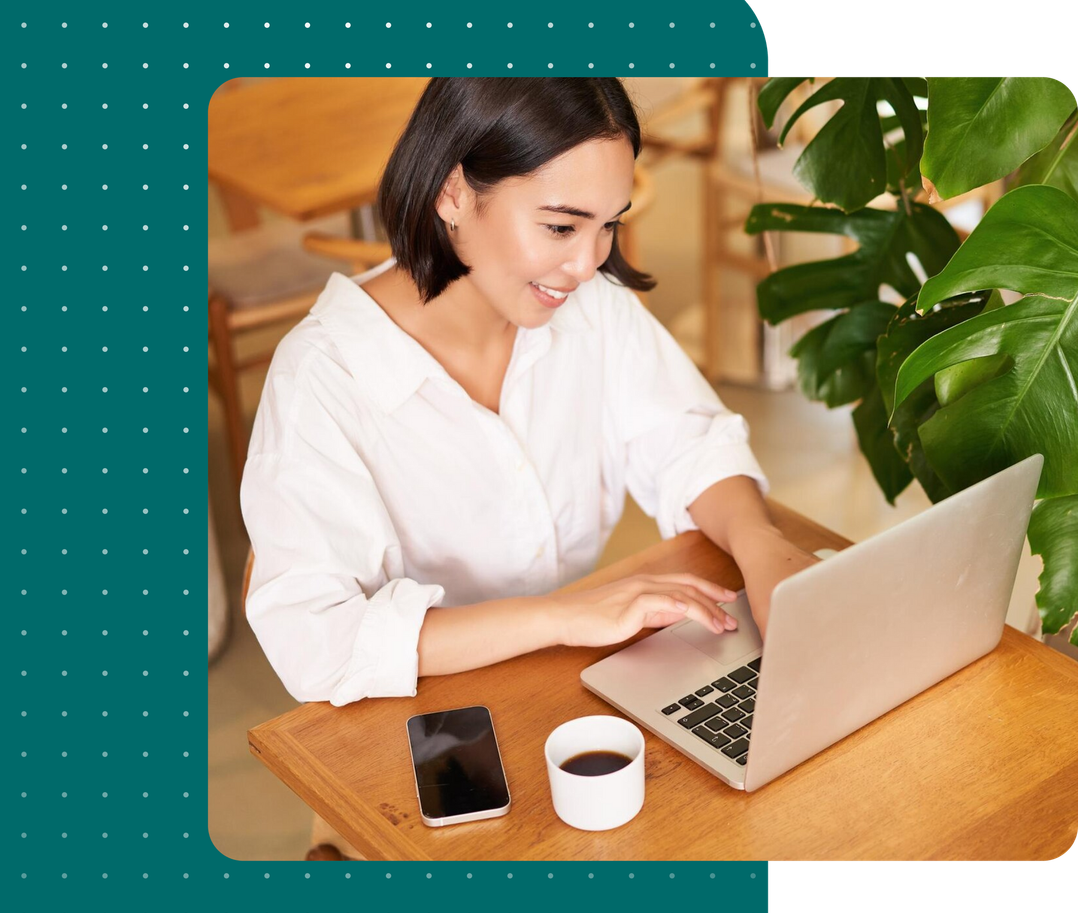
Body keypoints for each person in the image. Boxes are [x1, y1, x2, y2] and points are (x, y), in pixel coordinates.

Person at [239, 78, 820, 859]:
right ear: (453, 193)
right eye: (559, 225)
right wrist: (566, 617)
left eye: (610, 225)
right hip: (408, 736)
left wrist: (764, 549)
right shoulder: (325, 378)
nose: (587, 264)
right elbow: (317, 644)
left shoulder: (590, 314)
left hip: (548, 699)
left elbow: (689, 444)